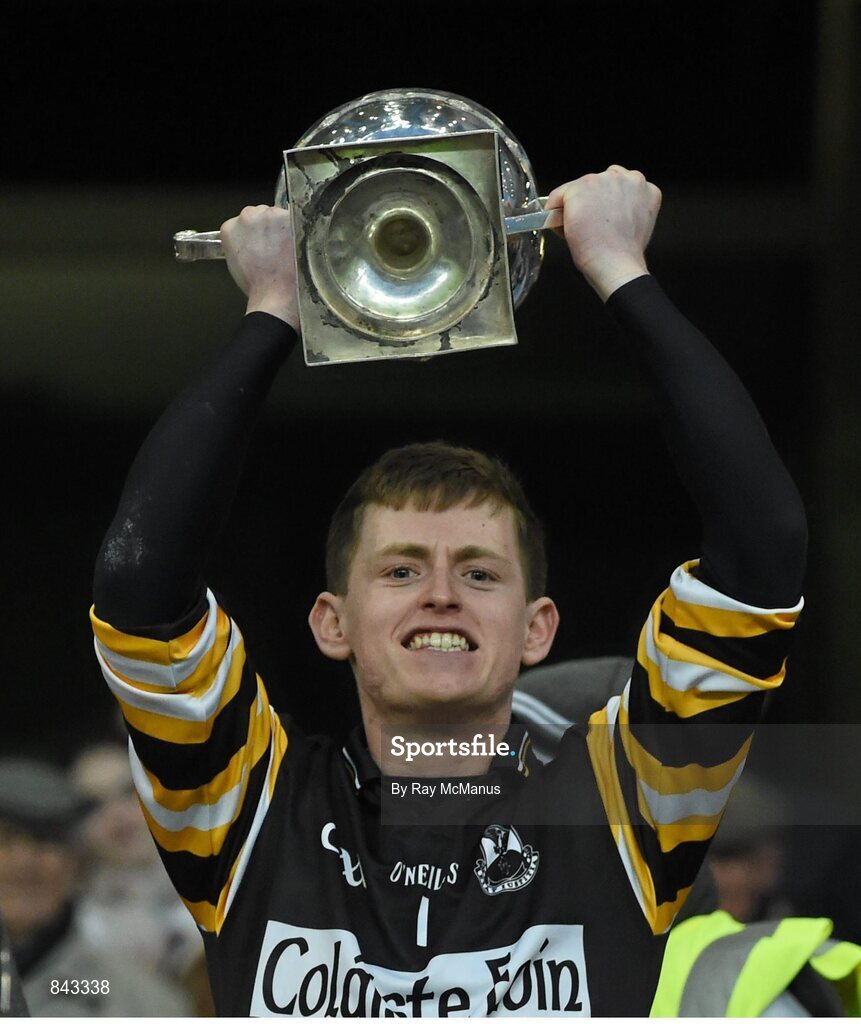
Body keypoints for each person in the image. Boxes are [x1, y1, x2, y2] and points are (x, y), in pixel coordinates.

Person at [90, 167, 807, 1016]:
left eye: (479, 571)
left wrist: (622, 273)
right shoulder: (245, 805)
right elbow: (140, 581)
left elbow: (762, 553)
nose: (440, 594)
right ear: (332, 622)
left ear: (537, 628)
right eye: (399, 570)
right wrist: (273, 309)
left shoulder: (625, 804)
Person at [0, 757, 190, 1017]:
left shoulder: (143, 1004)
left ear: (74, 863)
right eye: (5, 839)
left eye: (44, 840)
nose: (23, 862)